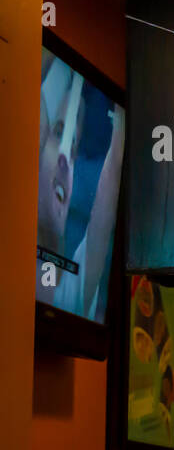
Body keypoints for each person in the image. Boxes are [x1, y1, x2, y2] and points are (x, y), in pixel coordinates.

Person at [36, 52, 124, 322]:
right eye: (59, 132)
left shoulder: (72, 292)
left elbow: (111, 179)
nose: (66, 158)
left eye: (73, 146)